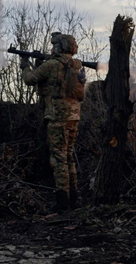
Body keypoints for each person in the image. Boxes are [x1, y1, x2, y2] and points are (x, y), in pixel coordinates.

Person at [20, 32, 86, 211]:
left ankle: (62, 202)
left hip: (58, 118)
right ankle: (73, 199)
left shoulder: (52, 65)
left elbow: (30, 79)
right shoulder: (77, 65)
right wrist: (39, 61)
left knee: (58, 159)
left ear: (58, 47)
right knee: (69, 157)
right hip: (74, 117)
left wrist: (25, 64)